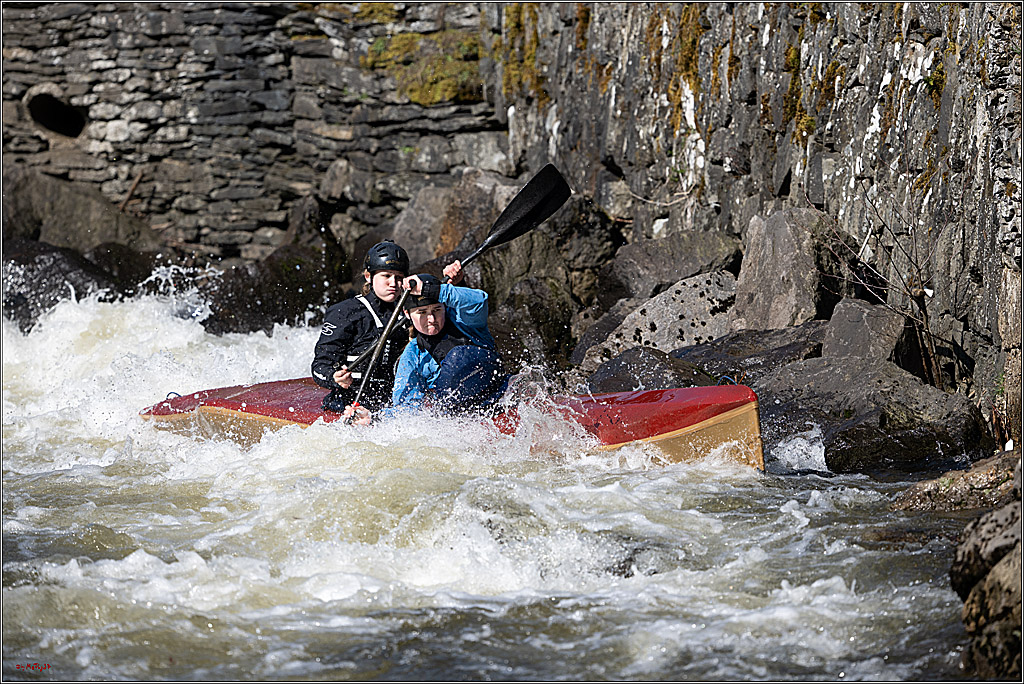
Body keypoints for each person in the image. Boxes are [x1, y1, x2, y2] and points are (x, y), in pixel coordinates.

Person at [343, 260, 508, 425]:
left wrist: (433, 290)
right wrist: (374, 418)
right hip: (461, 414)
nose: (431, 319)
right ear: (407, 314)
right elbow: (407, 407)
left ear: (445, 307)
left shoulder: (464, 322)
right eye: (422, 312)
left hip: (500, 394)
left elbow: (479, 301)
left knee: (458, 357)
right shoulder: (412, 355)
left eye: (437, 310)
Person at [311, 240, 415, 413]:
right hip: (351, 401)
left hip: (393, 403)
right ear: (369, 276)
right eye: (386, 276)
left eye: (398, 277)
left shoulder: (411, 311)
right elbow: (320, 366)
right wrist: (334, 377)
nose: (393, 283)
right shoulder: (345, 312)